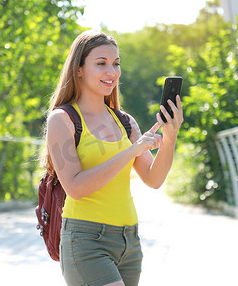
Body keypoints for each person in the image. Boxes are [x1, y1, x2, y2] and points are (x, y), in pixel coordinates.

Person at [44, 30, 183, 286]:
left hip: (129, 242)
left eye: (116, 63)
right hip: (86, 240)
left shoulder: (126, 122)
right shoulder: (62, 120)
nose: (112, 72)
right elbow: (74, 187)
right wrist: (132, 150)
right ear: (79, 69)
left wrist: (170, 136)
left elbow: (153, 180)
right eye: (101, 63)